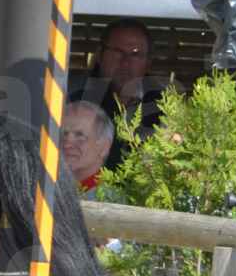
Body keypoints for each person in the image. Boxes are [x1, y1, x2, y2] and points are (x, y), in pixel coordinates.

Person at [67, 18, 166, 169]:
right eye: (117, 52)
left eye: (135, 54)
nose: (125, 62)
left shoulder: (164, 104)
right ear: (100, 55)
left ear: (148, 63)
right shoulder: (74, 98)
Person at [60, 100, 114, 194]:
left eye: (79, 135)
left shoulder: (110, 200)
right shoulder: (42, 189)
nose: (66, 145)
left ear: (104, 147)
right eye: (63, 134)